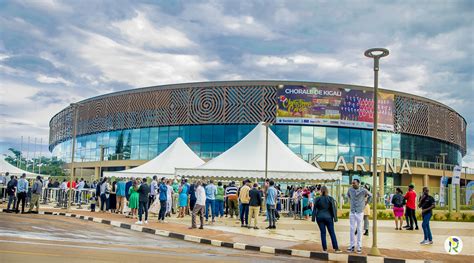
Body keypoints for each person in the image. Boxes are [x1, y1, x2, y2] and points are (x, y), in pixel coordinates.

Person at [347, 178, 372, 254]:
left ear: (358, 183)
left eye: (354, 183)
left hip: (359, 212)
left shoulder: (363, 190)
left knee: (359, 229)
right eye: (352, 183)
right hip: (352, 211)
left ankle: (359, 246)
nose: (353, 184)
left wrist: (365, 203)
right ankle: (351, 246)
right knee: (352, 229)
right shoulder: (350, 190)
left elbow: (370, 195)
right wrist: (351, 202)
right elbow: (348, 196)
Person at [313, 186, 341, 253]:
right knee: (332, 233)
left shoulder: (317, 199)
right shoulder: (330, 199)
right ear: (327, 191)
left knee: (323, 233)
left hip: (319, 217)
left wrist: (313, 218)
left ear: (321, 191)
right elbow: (333, 209)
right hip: (328, 218)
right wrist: (335, 218)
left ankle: (324, 249)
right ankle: (336, 248)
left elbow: (314, 209)